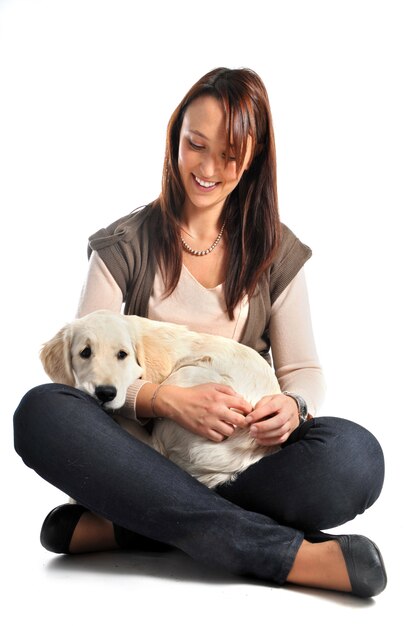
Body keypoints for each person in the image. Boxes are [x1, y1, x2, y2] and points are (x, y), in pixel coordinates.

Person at [13, 67, 386, 598]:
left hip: (243, 458)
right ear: (175, 142)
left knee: (355, 456)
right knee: (42, 411)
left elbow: (302, 370)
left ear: (253, 157)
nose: (208, 168)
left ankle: (134, 523)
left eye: (229, 154)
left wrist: (294, 407)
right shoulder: (122, 245)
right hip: (140, 452)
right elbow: (86, 383)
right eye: (195, 145)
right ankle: (270, 549)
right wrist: (168, 400)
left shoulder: (276, 251)